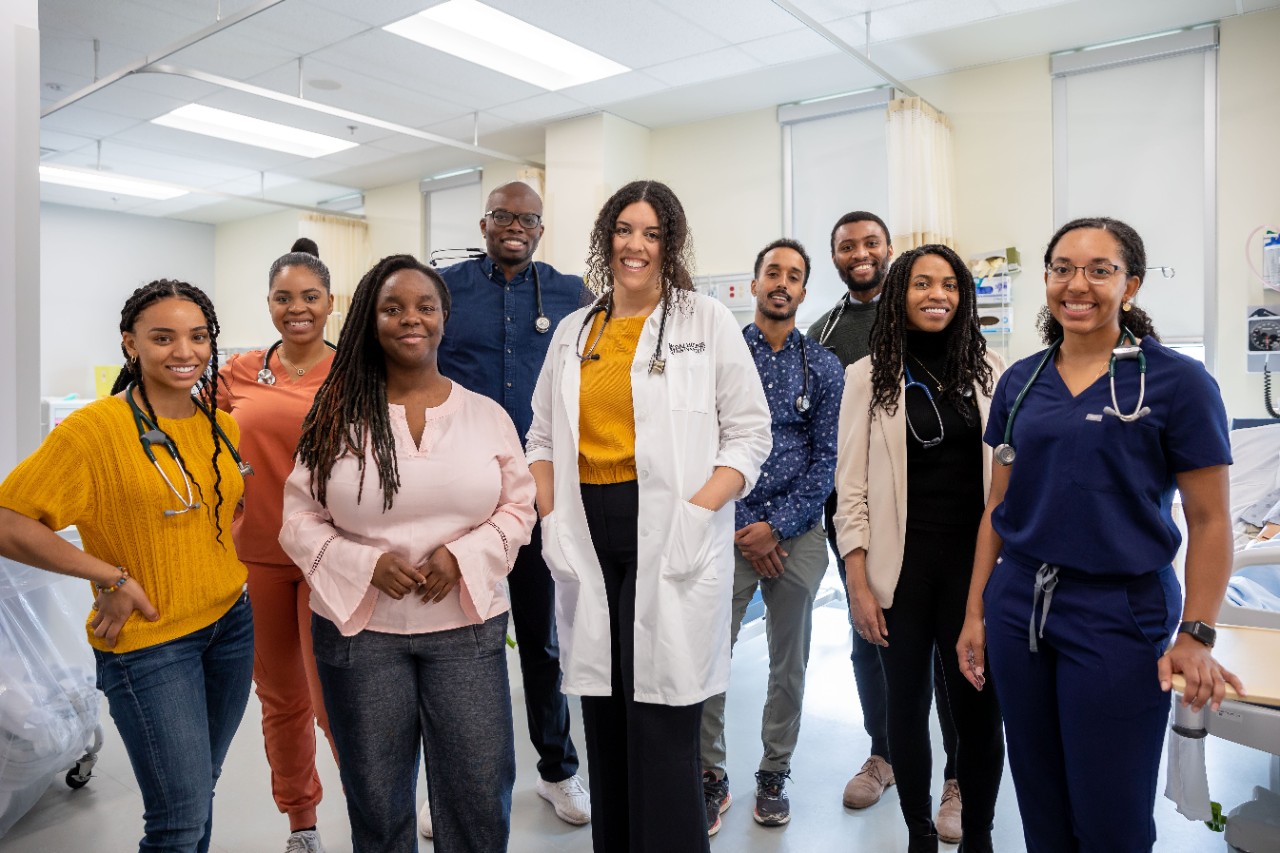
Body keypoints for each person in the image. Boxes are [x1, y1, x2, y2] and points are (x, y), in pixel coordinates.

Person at [956, 217, 1246, 853]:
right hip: (1018, 607)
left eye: (1098, 269)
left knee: (1110, 811)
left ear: (1131, 284)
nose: (1076, 284)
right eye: (1062, 268)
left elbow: (1210, 520)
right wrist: (976, 610)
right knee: (1039, 796)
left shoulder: (1177, 383)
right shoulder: (1022, 381)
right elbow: (997, 507)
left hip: (1120, 611)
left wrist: (1196, 633)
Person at [526, 180, 772, 853]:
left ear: (670, 242)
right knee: (603, 712)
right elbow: (542, 438)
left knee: (661, 720)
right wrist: (551, 518)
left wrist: (697, 510)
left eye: (652, 233)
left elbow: (749, 434)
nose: (636, 245)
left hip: (671, 530)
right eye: (625, 230)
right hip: (587, 527)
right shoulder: (576, 331)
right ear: (607, 237)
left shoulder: (704, 321)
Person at [279, 255, 536, 853]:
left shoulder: (486, 416)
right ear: (371, 322)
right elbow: (298, 518)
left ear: (445, 317)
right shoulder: (336, 416)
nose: (409, 318)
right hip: (360, 633)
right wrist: (364, 564)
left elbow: (519, 508)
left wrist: (465, 556)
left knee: (478, 792)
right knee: (376, 796)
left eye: (425, 306)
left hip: (466, 632)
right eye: (392, 307)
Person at [0, 280, 253, 852]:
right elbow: (9, 521)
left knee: (199, 790)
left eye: (197, 337)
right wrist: (108, 575)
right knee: (178, 819)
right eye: (162, 337)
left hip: (231, 624)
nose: (183, 352)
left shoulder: (220, 426)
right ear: (130, 344)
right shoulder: (95, 432)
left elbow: (216, 512)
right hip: (151, 643)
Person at [434, 180, 594, 833]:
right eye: (503, 215)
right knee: (453, 644)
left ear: (540, 229)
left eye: (527, 218)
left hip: (536, 493)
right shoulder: (444, 289)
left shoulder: (570, 294)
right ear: (484, 222)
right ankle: (448, 784)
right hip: (458, 493)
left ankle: (557, 770)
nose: (514, 226)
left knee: (542, 642)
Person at [834, 245, 1005, 852]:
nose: (938, 294)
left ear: (964, 296)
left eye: (950, 285)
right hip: (899, 576)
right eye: (923, 284)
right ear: (900, 292)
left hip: (974, 574)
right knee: (904, 711)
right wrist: (857, 585)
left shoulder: (990, 373)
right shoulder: (867, 377)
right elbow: (849, 492)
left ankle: (978, 832)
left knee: (979, 712)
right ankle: (918, 832)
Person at [806, 212, 962, 832]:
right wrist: (850, 541)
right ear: (837, 257)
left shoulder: (935, 323)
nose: (861, 253)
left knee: (953, 655)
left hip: (939, 523)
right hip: (861, 517)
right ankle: (884, 752)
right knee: (871, 640)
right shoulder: (825, 335)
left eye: (871, 242)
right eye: (847, 246)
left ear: (889, 249)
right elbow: (831, 440)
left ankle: (956, 774)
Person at [698, 238, 843, 833]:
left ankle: (773, 773)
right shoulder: (718, 358)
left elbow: (824, 459)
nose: (782, 283)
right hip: (725, 527)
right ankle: (710, 775)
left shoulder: (824, 367)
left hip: (798, 533)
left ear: (804, 292)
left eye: (795, 276)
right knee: (708, 658)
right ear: (753, 284)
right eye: (773, 273)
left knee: (790, 663)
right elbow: (702, 447)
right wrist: (742, 528)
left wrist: (776, 528)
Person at [217, 246, 337, 853]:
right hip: (260, 556)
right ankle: (302, 823)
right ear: (268, 304)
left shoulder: (355, 373)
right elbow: (195, 443)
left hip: (333, 560)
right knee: (282, 699)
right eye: (283, 298)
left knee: (338, 699)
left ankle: (383, 805)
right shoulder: (236, 372)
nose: (297, 309)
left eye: (309, 297)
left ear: (330, 304)